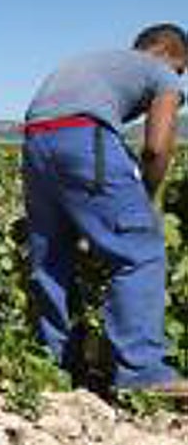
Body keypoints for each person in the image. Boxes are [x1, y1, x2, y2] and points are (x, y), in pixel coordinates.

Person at [22, 23, 188, 396]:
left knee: (51, 258)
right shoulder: (162, 71)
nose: (179, 80)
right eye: (183, 71)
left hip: (35, 141)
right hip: (83, 136)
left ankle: (55, 367)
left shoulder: (95, 62)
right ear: (168, 53)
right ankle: (142, 372)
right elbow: (157, 148)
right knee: (140, 252)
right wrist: (145, 197)